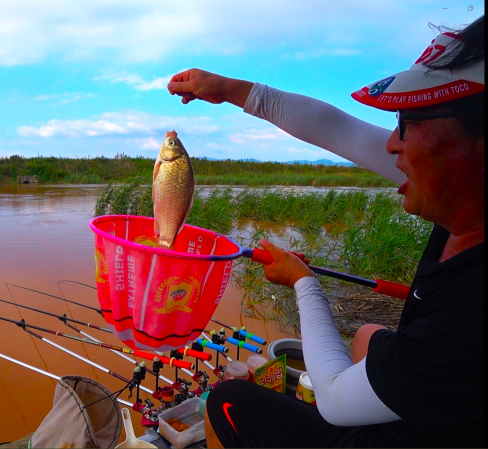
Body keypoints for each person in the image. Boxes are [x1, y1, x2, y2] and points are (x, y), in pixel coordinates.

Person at [167, 16, 484, 447]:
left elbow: (333, 398)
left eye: (409, 123)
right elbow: (341, 132)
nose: (391, 144)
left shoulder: (471, 309)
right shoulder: (465, 196)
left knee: (228, 401)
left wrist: (304, 282)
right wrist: (230, 90)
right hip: (442, 408)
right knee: (367, 336)